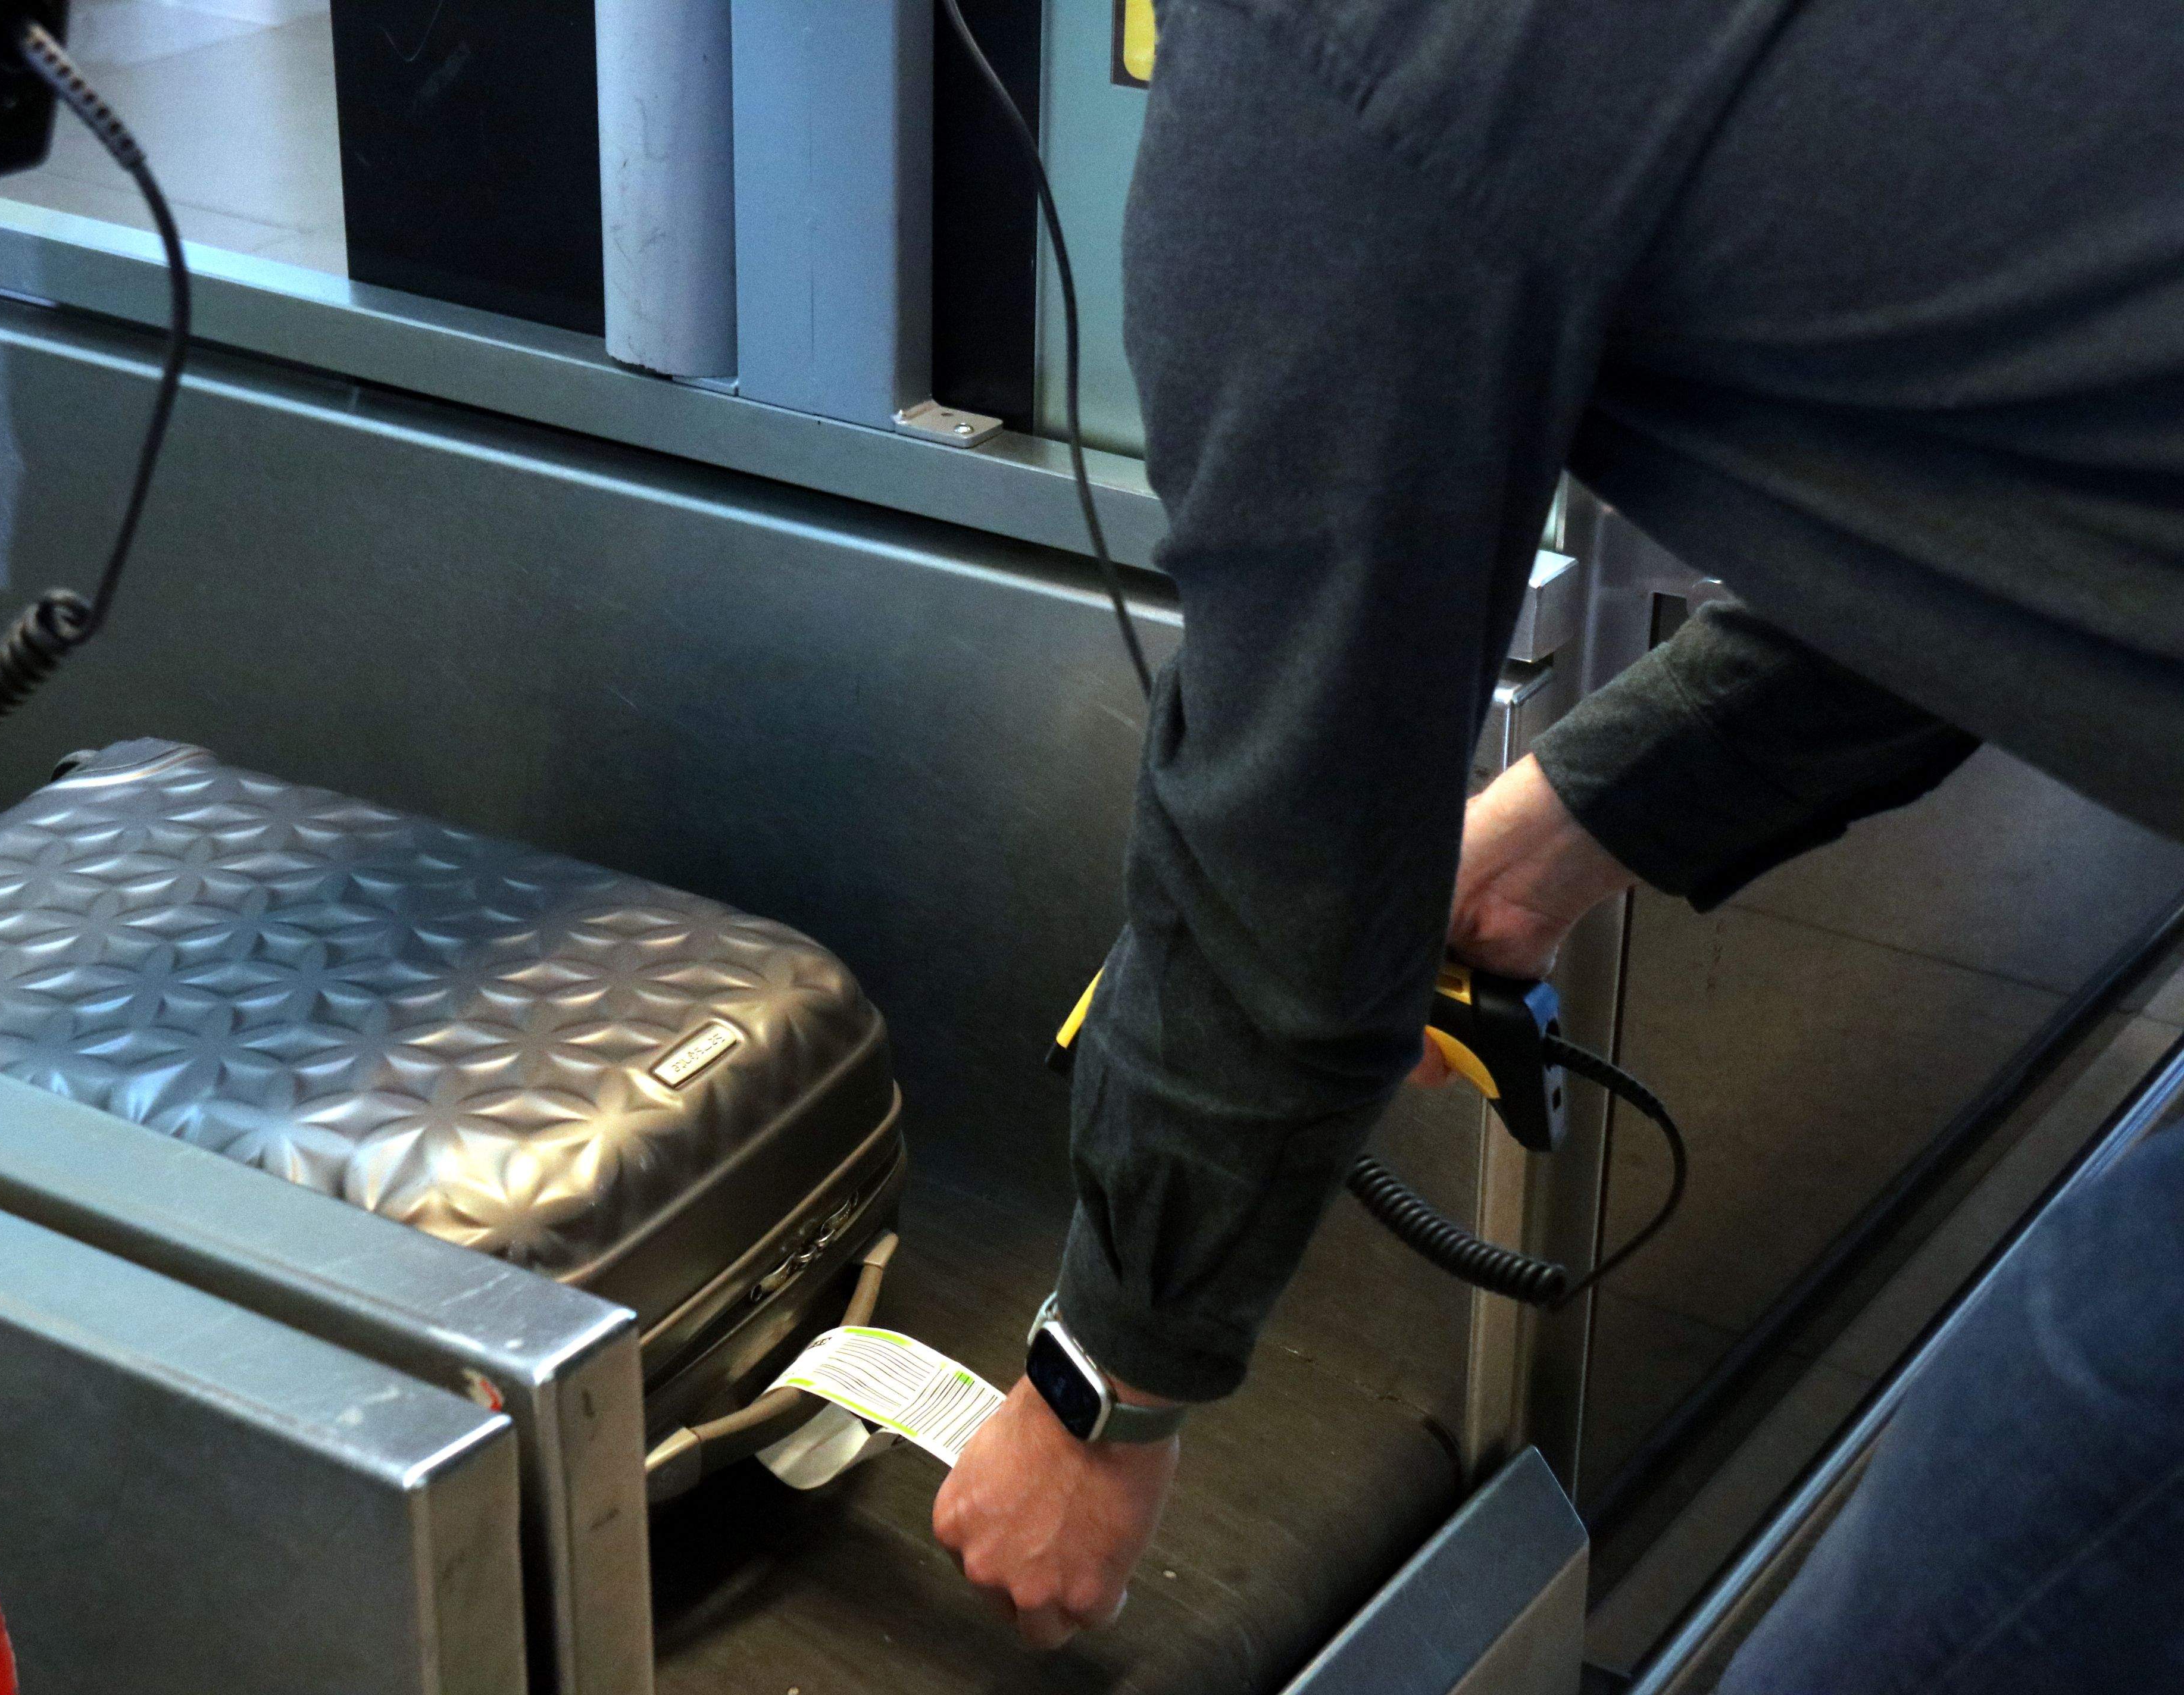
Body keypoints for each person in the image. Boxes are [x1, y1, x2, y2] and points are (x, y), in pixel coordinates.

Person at [930, 0, 2184, 1683]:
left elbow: (1290, 832)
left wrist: (1101, 1395)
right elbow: (1993, 514)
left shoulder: (1327, 51)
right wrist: (1554, 835)